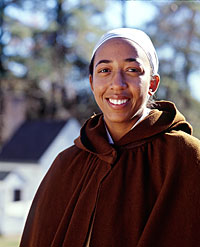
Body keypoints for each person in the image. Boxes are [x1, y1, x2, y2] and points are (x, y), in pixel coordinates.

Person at [20, 28, 200, 247]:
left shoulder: (186, 157)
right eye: (105, 70)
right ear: (92, 82)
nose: (117, 84)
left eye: (132, 70)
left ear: (153, 84)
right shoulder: (66, 165)